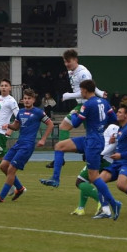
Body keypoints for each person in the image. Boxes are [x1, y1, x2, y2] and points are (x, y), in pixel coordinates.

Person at [51, 81, 121, 217]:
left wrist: (77, 113)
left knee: (93, 177)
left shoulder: (87, 104)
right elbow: (113, 118)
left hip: (93, 143)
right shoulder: (104, 103)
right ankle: (55, 178)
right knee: (59, 146)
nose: (80, 93)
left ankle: (113, 203)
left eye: (81, 90)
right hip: (92, 139)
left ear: (84, 90)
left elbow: (76, 124)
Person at [43, 49, 105, 188]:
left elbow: (87, 91)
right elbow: (92, 87)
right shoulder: (73, 72)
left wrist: (69, 95)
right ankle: (61, 158)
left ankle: (100, 157)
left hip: (86, 106)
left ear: (75, 60)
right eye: (64, 61)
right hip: (82, 105)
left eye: (68, 61)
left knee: (92, 134)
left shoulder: (83, 73)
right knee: (65, 126)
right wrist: (100, 92)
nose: (66, 64)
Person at [0, 88, 54, 203]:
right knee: (3, 166)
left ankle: (1, 197)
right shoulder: (20, 112)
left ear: (33, 100)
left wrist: (43, 139)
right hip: (18, 143)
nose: (27, 100)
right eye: (25, 98)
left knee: (11, 170)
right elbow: (16, 126)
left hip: (27, 145)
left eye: (29, 98)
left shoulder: (38, 112)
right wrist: (8, 126)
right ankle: (19, 188)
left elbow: (50, 124)